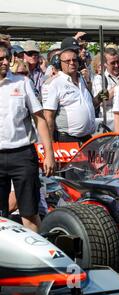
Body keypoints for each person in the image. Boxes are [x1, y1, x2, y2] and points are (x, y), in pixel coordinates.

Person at [0, 44, 55, 232]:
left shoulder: (22, 83)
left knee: (30, 212)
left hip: (23, 155)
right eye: (1, 59)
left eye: (8, 58)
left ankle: (38, 259)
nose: (6, 62)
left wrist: (49, 154)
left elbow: (39, 119)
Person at [43, 37, 104, 143]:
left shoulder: (82, 79)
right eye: (67, 61)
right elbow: (48, 116)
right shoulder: (55, 83)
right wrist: (51, 145)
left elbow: (92, 104)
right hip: (67, 139)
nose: (72, 63)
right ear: (60, 63)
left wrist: (109, 93)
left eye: (74, 60)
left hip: (87, 138)